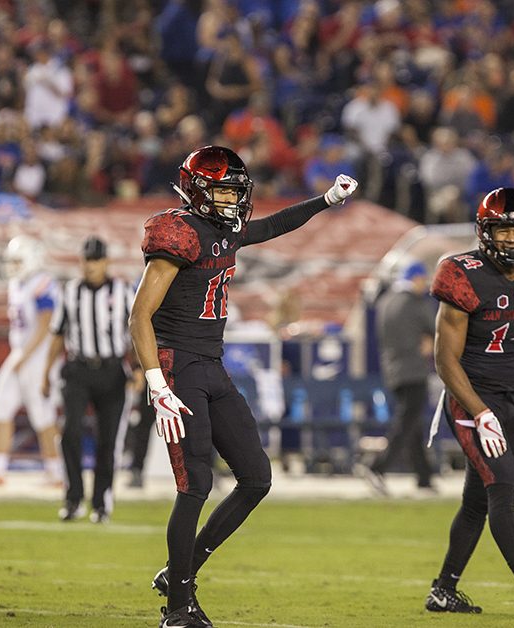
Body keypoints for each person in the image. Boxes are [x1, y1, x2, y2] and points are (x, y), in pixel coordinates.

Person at [129, 145, 357, 628]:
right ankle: (177, 609)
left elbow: (273, 226)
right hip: (177, 364)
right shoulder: (179, 231)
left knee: (256, 477)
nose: (233, 199)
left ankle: (179, 572)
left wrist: (326, 201)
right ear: (197, 191)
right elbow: (140, 316)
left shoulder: (222, 230)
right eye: (224, 190)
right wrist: (155, 382)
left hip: (210, 364)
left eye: (237, 190)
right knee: (196, 484)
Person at [425, 187, 514, 619]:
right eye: (501, 231)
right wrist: (479, 412)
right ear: (484, 233)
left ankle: (443, 590)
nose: (509, 241)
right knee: (503, 484)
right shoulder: (460, 274)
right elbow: (445, 360)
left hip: (511, 400)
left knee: (476, 500)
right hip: (470, 399)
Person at [42, 236, 135, 523]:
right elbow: (58, 334)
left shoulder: (123, 291)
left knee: (108, 440)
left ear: (106, 262)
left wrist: (141, 369)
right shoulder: (69, 292)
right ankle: (73, 499)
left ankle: (102, 502)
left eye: (96, 260)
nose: (91, 266)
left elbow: (138, 330)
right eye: (86, 260)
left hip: (112, 371)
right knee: (69, 432)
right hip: (78, 369)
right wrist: (46, 371)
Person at [0, 236, 62, 486]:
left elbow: (47, 323)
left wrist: (25, 355)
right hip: (20, 353)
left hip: (39, 357)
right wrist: (20, 355)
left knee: (43, 415)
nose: (12, 265)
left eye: (17, 260)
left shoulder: (43, 282)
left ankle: (56, 472)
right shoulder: (16, 284)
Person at [361, 260, 436, 494]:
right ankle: (377, 467)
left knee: (412, 424)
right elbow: (436, 328)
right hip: (413, 368)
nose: (425, 286)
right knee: (406, 423)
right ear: (415, 279)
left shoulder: (386, 301)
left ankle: (424, 477)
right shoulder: (414, 303)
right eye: (423, 280)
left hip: (392, 370)